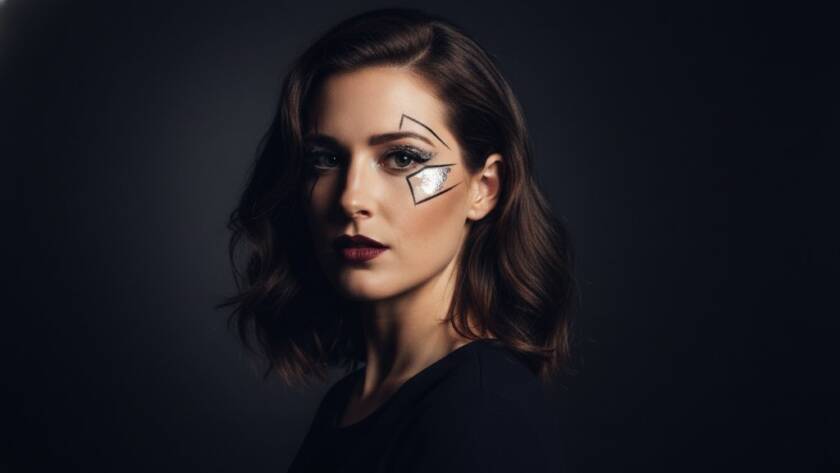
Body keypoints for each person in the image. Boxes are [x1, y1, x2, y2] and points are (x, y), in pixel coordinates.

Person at [219, 7, 579, 472]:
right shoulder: (351, 401)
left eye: (403, 158)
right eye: (326, 158)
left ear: (484, 188)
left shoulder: (481, 410)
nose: (351, 198)